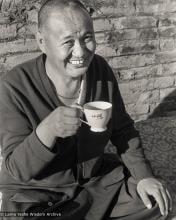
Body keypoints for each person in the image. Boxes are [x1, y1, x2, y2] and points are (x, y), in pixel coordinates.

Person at [0, 0, 172, 219]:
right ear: (42, 42)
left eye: (87, 38)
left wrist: (144, 176)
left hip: (96, 185)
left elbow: (123, 130)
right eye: (68, 41)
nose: (80, 51)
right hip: (41, 194)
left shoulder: (99, 70)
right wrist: (48, 130)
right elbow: (16, 170)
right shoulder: (15, 86)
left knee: (156, 201)